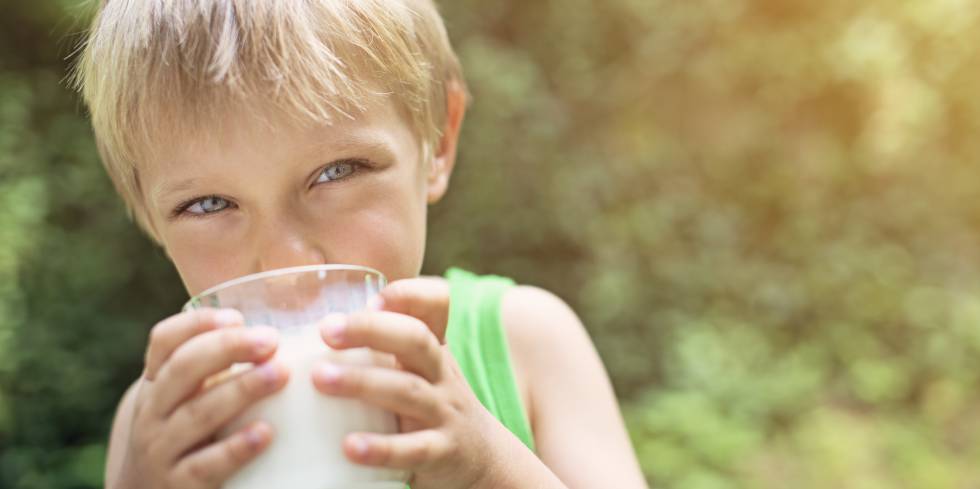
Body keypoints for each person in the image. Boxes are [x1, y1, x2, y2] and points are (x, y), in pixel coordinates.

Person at [73, 1, 647, 488]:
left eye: (337, 171)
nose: (288, 265)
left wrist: (486, 468)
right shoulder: (162, 420)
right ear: (149, 215)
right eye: (208, 204)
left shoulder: (524, 341)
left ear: (438, 140)